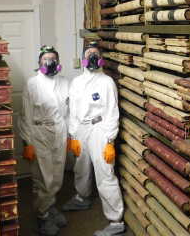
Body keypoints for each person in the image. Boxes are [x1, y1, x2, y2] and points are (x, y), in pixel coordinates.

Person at [63, 42, 125, 236]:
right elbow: (72, 111)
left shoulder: (106, 82)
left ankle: (116, 220)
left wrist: (109, 140)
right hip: (81, 129)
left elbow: (112, 112)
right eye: (88, 53)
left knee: (105, 173)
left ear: (100, 59)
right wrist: (73, 135)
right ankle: (82, 198)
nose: (91, 56)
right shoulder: (76, 82)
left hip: (99, 129)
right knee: (80, 167)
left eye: (95, 54)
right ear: (83, 58)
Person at [18, 45, 69, 236]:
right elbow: (25, 115)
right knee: (43, 178)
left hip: (59, 132)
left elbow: (68, 111)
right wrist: (27, 142)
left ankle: (50, 206)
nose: (49, 62)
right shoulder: (32, 83)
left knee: (57, 176)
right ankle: (42, 216)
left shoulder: (64, 82)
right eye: (45, 59)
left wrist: (71, 135)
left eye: (53, 59)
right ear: (39, 63)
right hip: (39, 134)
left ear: (58, 62)